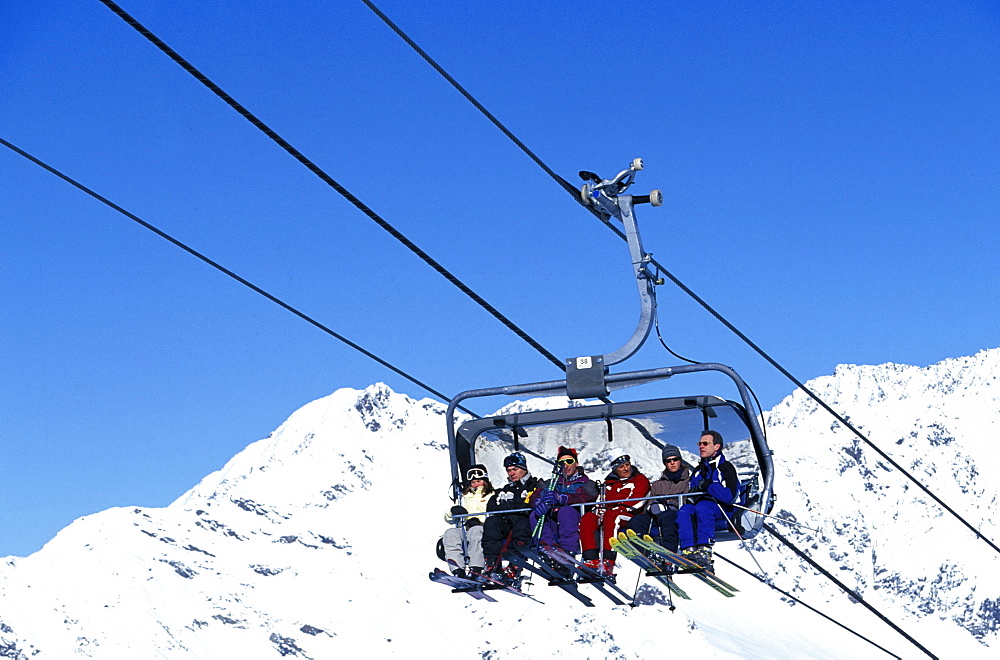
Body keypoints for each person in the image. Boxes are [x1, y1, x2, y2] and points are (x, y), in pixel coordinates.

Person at [580, 452, 650, 575]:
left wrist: (620, 508)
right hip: (609, 514)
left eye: (627, 465)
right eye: (621, 467)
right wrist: (598, 509)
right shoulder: (609, 484)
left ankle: (608, 560)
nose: (626, 469)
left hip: (630, 514)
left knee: (612, 516)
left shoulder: (639, 479)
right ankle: (591, 559)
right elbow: (600, 501)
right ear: (615, 469)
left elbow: (639, 500)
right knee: (588, 518)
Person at [676, 430, 739, 568]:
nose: (701, 447)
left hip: (722, 508)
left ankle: (704, 550)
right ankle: (688, 549)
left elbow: (730, 496)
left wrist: (709, 486)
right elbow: (692, 489)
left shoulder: (725, 468)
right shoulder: (699, 469)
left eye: (705, 443)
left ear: (717, 446)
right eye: (700, 443)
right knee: (685, 510)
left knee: (703, 507)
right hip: (702, 506)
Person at [528, 446, 598, 557]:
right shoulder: (550, 483)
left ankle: (567, 550)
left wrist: (564, 498)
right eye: (561, 463)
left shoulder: (587, 483)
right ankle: (547, 548)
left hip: (575, 519)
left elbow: (586, 496)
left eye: (569, 461)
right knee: (535, 515)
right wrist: (538, 502)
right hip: (554, 519)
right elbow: (536, 494)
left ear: (576, 463)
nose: (565, 465)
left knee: (566, 511)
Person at [481, 452, 542, 577]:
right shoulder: (504, 490)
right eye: (509, 470)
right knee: (492, 523)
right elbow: (492, 506)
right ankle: (492, 562)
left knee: (522, 524)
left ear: (524, 469)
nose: (511, 473)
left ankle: (515, 563)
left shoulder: (535, 486)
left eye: (515, 469)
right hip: (508, 522)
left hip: (527, 523)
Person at [627, 444, 691, 553]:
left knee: (668, 517)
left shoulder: (688, 481)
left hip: (676, 514)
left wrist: (669, 505)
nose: (672, 463)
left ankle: (669, 553)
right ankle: (642, 551)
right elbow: (650, 502)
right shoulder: (658, 484)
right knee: (637, 520)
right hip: (657, 516)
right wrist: (652, 506)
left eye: (675, 459)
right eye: (668, 460)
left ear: (680, 460)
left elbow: (687, 500)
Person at [442, 464, 494, 578]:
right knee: (450, 533)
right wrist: (453, 511)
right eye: (473, 482)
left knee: (475, 532)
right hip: (466, 528)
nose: (476, 484)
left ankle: (476, 568)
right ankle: (457, 569)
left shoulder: (492, 495)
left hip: (483, 527)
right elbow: (448, 518)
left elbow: (494, 513)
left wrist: (479, 520)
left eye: (479, 481)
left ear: (485, 481)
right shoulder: (464, 496)